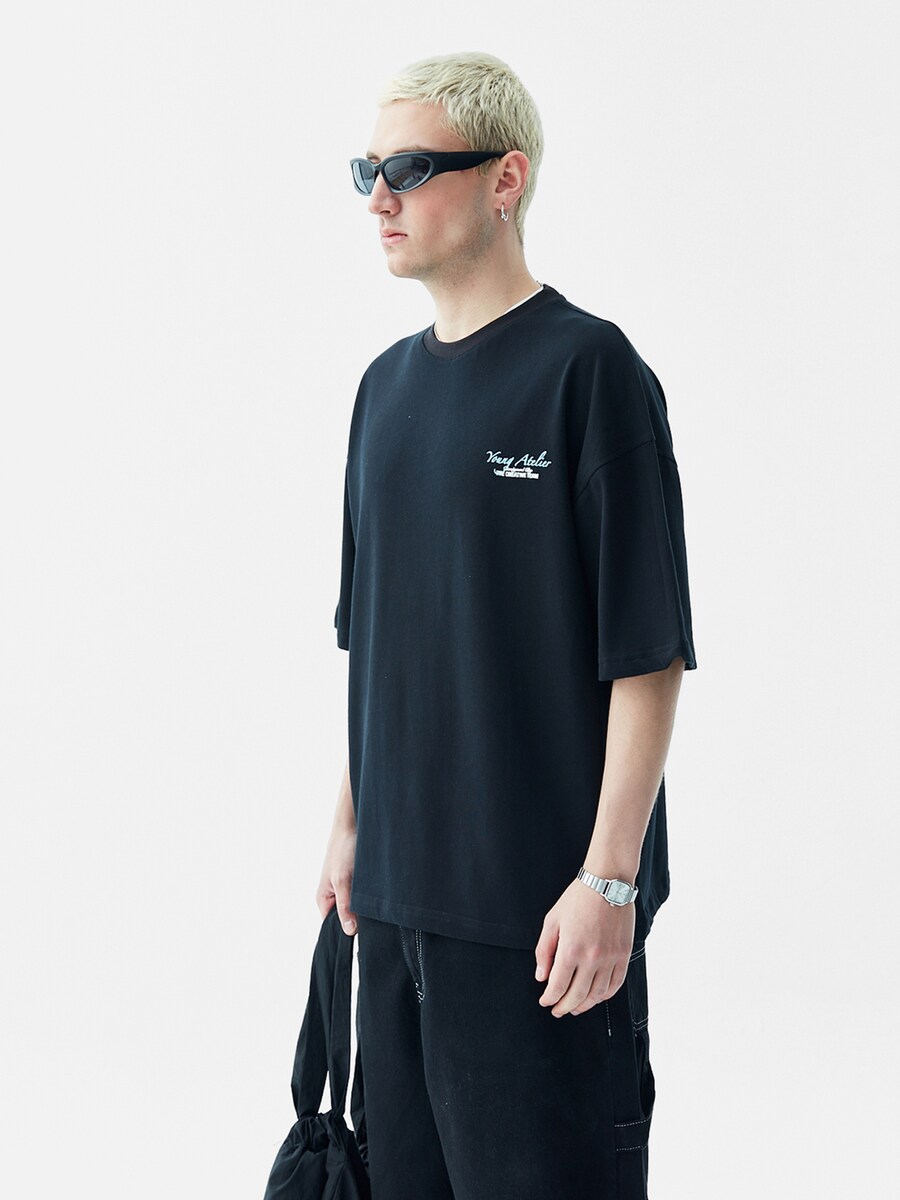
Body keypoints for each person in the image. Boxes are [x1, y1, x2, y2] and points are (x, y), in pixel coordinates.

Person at [316, 50, 698, 1200]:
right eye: (366, 171)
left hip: (542, 929)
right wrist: (349, 825)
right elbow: (377, 643)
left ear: (504, 178)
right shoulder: (382, 392)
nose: (378, 198)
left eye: (408, 169)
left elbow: (648, 654)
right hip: (394, 915)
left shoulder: (590, 373)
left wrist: (610, 883)